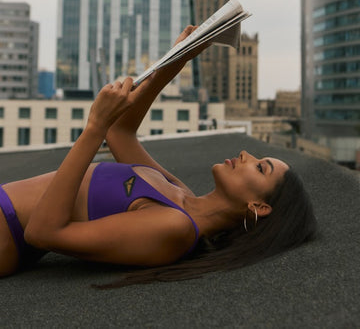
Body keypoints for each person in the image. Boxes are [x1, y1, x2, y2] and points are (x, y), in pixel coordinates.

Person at [0, 26, 317, 285]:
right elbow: (120, 133)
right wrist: (175, 63)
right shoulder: (180, 194)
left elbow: (43, 232)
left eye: (260, 168)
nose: (246, 154)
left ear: (258, 206)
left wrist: (94, 126)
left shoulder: (175, 227)